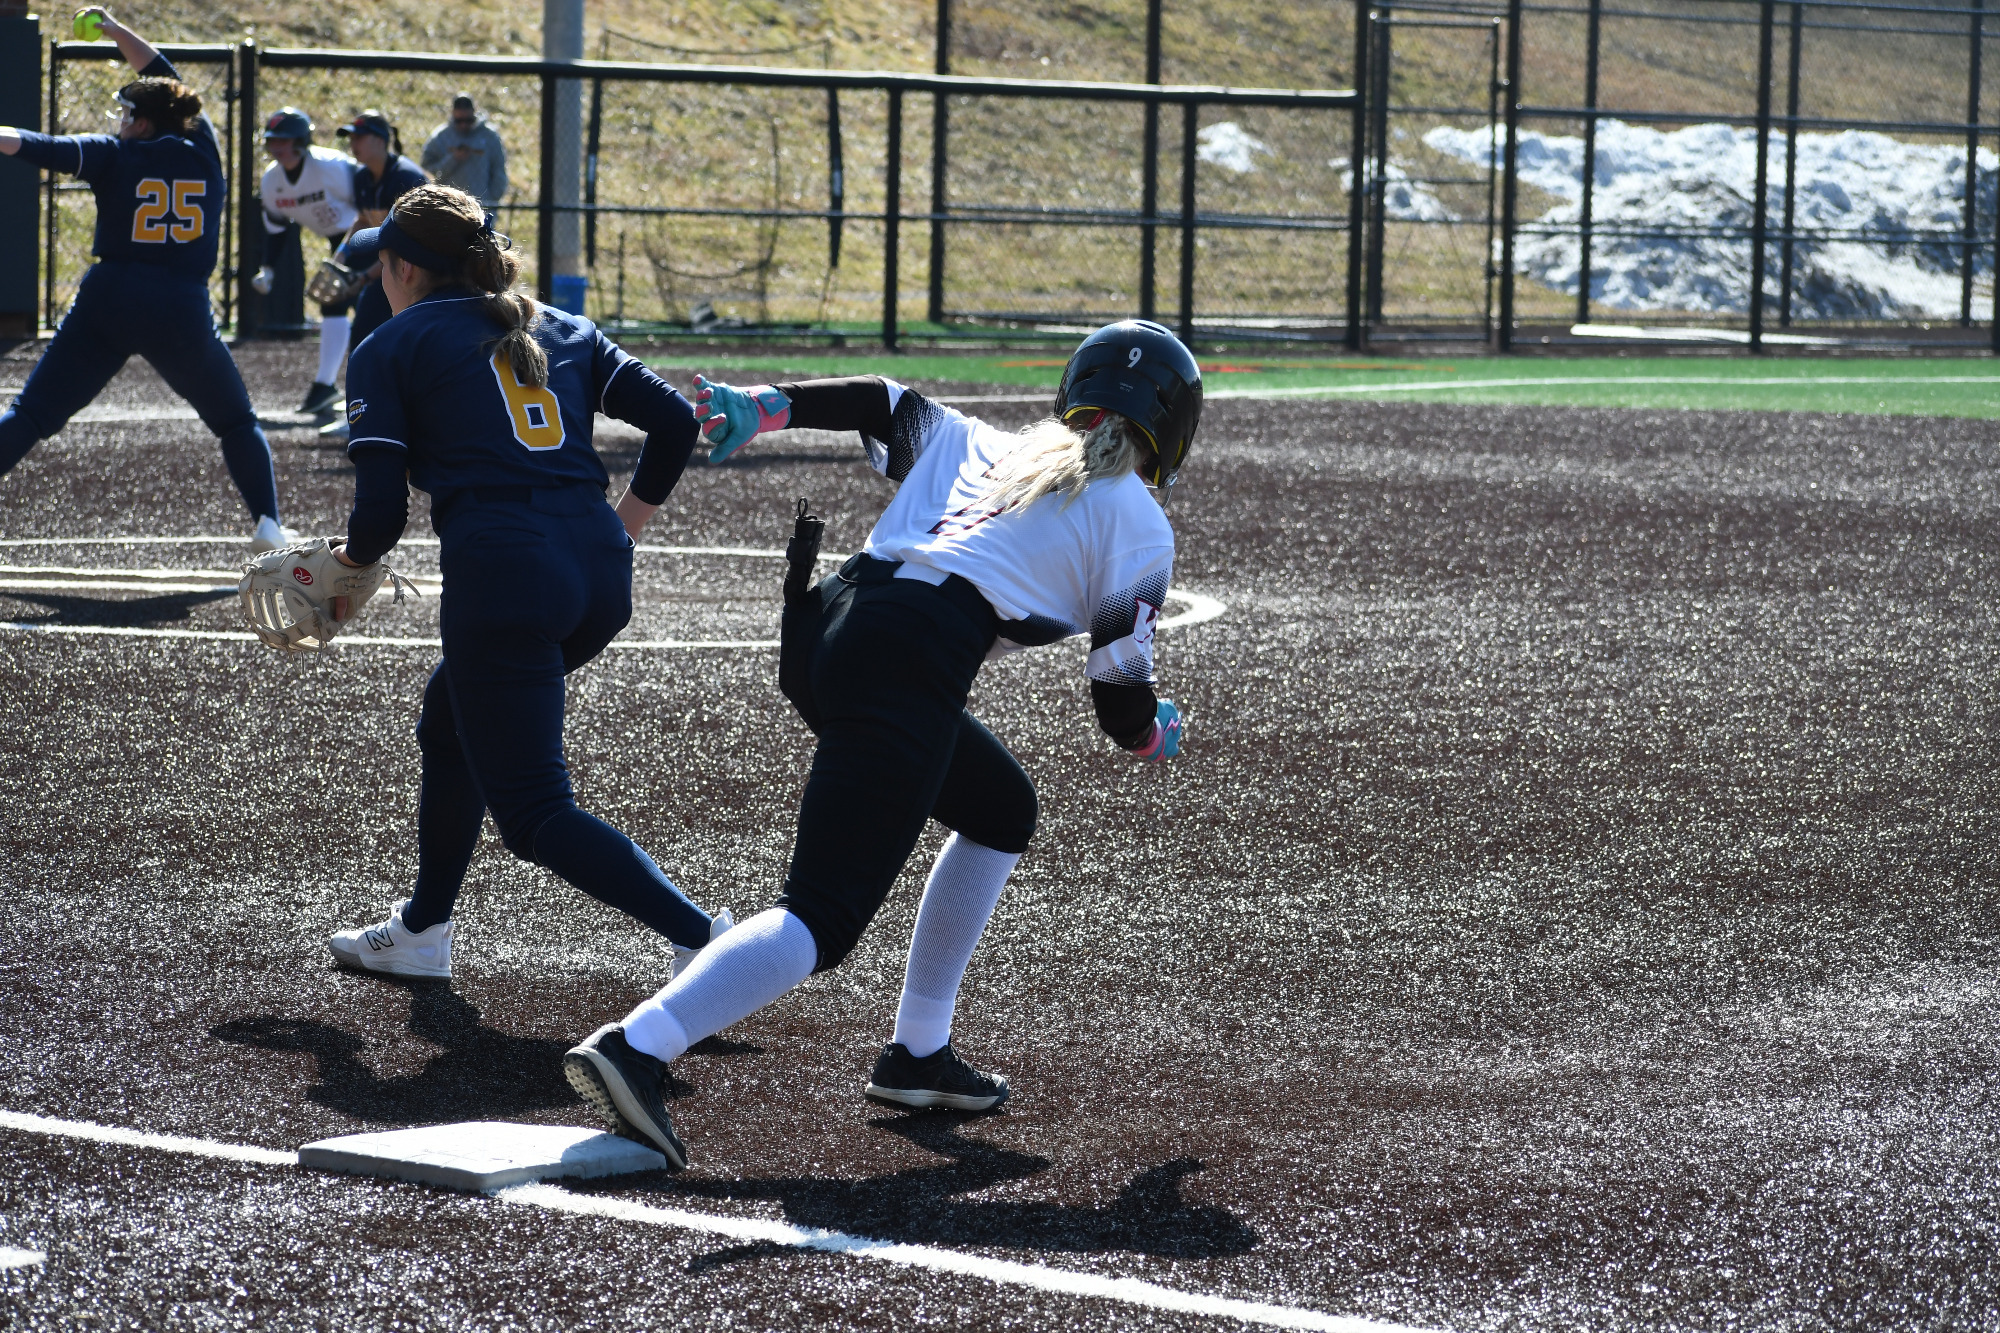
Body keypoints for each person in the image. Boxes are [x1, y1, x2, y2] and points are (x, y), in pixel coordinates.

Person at [562, 320, 1199, 1169]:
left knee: (1001, 808)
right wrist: (1155, 732)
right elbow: (1119, 701)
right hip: (908, 657)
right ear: (1175, 429)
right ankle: (638, 1045)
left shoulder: (984, 439)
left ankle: (918, 1053)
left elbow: (878, 399)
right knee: (820, 914)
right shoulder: (1140, 522)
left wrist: (764, 405)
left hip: (833, 625)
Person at [322, 182, 730, 982]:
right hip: (595, 571)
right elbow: (678, 422)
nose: (376, 283)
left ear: (403, 268)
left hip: (505, 577)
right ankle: (423, 928)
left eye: (381, 271)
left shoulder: (389, 347)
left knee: (536, 813)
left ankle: (709, 940)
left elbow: (378, 519)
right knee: (451, 722)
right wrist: (623, 527)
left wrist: (342, 569)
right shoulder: (563, 324)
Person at [0, 7, 294, 551]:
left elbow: (32, 144)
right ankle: (269, 526)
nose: (119, 120)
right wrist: (113, 29)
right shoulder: (205, 150)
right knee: (235, 421)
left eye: (125, 112)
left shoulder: (117, 154)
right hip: (180, 304)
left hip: (110, 297)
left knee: (31, 413)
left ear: (142, 121)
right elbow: (164, 71)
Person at [318, 110, 426, 443]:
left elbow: (409, 244)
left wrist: (364, 276)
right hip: (391, 274)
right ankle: (360, 414)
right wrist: (341, 253)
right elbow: (363, 220)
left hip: (419, 277)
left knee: (411, 346)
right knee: (364, 338)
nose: (353, 144)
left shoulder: (406, 178)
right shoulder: (365, 177)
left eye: (359, 137)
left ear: (380, 140)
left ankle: (414, 417)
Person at [250, 106, 359, 416]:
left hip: (361, 234)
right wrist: (268, 268)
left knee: (370, 307)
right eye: (273, 141)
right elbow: (278, 229)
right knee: (333, 302)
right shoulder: (272, 181)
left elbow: (369, 209)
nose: (277, 148)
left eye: (284, 140)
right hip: (338, 241)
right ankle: (326, 385)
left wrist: (354, 252)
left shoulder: (332, 167)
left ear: (301, 140)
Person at [420, 94, 508, 209]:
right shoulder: (440, 138)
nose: (464, 125)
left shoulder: (489, 136)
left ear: (474, 113)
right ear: (452, 114)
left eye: (468, 120)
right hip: (448, 206)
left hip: (482, 205)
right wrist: (452, 159)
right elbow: (427, 172)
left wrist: (492, 199)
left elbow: (499, 171)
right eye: (459, 121)